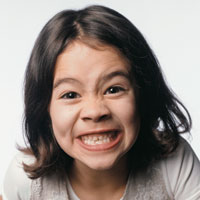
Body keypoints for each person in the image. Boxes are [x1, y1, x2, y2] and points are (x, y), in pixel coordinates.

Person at [2, 5, 200, 200]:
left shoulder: (174, 164)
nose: (95, 111)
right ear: (44, 108)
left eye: (113, 89)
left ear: (143, 95)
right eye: (70, 95)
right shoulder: (25, 180)